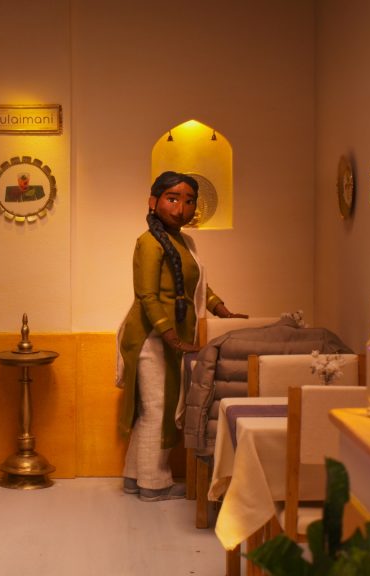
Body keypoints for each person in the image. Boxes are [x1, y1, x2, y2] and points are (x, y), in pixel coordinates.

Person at [116, 171, 247, 501]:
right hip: (152, 336)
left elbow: (198, 286)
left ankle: (134, 478)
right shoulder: (148, 242)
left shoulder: (184, 242)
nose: (181, 208)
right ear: (153, 202)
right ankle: (154, 483)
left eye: (189, 201)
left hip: (171, 336)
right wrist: (172, 337)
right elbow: (147, 296)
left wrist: (223, 311)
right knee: (158, 409)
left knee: (153, 408)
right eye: (172, 199)